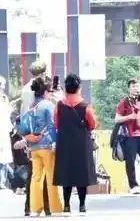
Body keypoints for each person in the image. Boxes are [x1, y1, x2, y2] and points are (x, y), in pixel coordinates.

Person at [53, 74, 98, 214]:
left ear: (66, 88)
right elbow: (92, 124)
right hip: (81, 143)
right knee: (81, 173)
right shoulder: (85, 106)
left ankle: (66, 205)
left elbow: (56, 123)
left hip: (64, 143)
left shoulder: (59, 105)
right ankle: (82, 205)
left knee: (66, 173)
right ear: (79, 88)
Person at [18, 77, 62, 216]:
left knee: (36, 178)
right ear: (45, 92)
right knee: (50, 176)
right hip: (47, 146)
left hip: (34, 147)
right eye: (50, 92)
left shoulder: (30, 106)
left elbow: (23, 126)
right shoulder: (48, 105)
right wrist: (55, 141)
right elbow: (52, 126)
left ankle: (35, 208)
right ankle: (54, 207)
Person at [115, 79, 140, 194]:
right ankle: (133, 186)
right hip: (129, 136)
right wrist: (129, 117)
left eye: (137, 86)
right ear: (129, 89)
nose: (135, 88)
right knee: (130, 162)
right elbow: (117, 119)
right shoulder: (124, 102)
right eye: (133, 86)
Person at [0, 76, 12, 190]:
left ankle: (5, 179)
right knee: (2, 156)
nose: (3, 87)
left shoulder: (4, 98)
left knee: (3, 157)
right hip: (2, 130)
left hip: (3, 129)